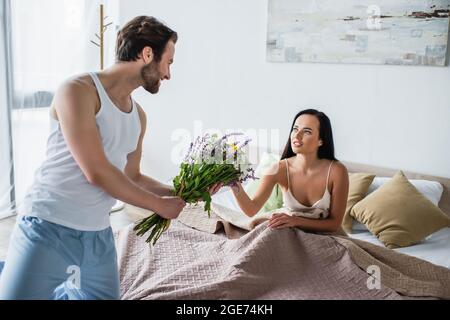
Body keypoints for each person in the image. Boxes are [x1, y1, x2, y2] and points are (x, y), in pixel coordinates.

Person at [0, 16, 189, 300]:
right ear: (147, 53)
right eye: (169, 62)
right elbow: (97, 171)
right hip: (47, 228)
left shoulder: (138, 116)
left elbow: (132, 175)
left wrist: (184, 193)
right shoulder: (77, 90)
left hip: (98, 238)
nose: (168, 75)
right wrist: (159, 206)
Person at [231, 109, 349, 234]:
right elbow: (251, 209)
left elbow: (334, 224)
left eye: (307, 131)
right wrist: (233, 183)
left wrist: (296, 221)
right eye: (295, 129)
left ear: (321, 140)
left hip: (326, 236)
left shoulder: (337, 171)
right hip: (289, 232)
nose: (297, 136)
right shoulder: (278, 169)